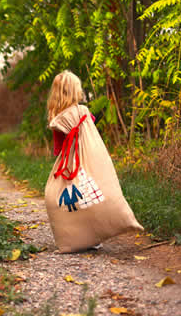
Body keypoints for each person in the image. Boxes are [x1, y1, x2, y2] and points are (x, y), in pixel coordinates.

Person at [44, 70, 143, 253]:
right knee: (91, 194)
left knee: (70, 199)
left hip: (69, 165)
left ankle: (76, 238)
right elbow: (91, 134)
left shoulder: (57, 119)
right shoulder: (83, 111)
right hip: (89, 160)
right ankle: (96, 233)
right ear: (75, 91)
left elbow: (58, 150)